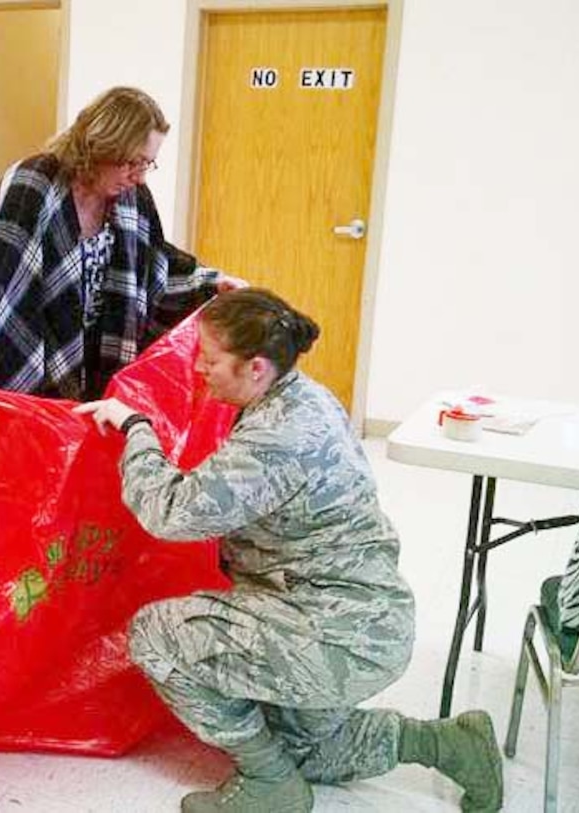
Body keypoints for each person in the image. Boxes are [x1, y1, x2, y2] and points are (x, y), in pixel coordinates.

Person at [74, 288, 503, 813]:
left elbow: (172, 512)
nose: (198, 370)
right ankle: (448, 743)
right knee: (313, 754)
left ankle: (268, 783)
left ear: (255, 367)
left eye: (210, 361)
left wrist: (136, 427)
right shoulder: (304, 394)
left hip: (333, 629)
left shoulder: (278, 436)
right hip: (359, 616)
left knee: (156, 636)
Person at [0, 85, 245, 402]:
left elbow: (159, 263)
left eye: (148, 164)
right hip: (35, 345)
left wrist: (212, 283)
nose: (139, 176)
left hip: (101, 354)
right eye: (133, 162)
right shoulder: (36, 180)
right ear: (104, 145)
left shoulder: (134, 199)